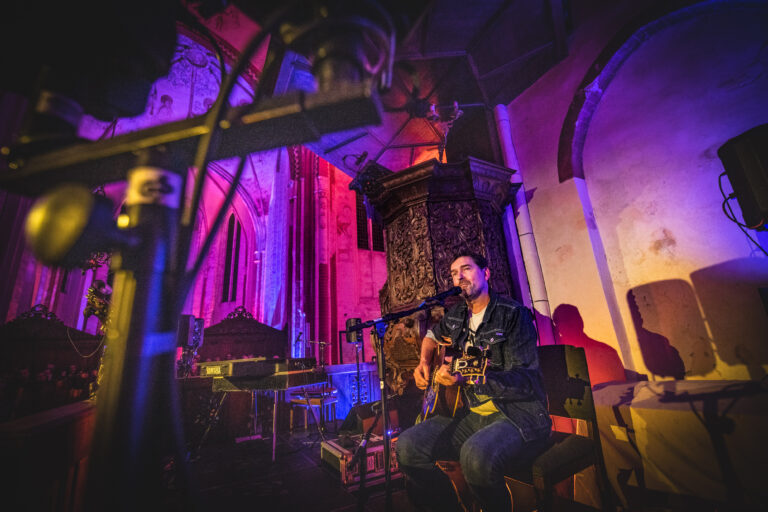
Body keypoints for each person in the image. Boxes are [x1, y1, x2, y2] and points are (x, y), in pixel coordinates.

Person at [396, 253, 552, 512]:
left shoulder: (514, 315)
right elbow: (433, 335)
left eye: (466, 269)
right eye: (454, 273)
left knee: (474, 456)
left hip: (515, 414)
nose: (459, 276)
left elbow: (526, 379)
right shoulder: (456, 314)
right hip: (469, 412)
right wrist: (424, 362)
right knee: (407, 447)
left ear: (486, 273)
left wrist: (469, 378)